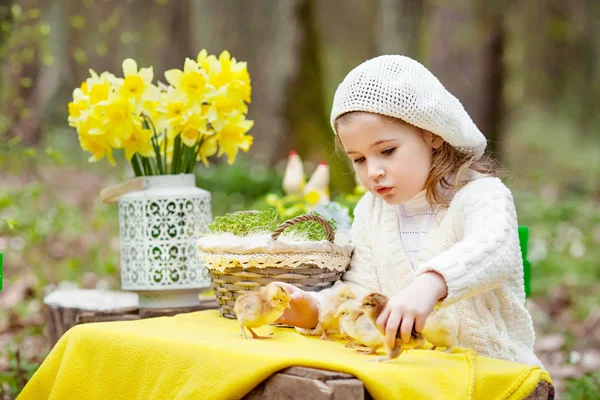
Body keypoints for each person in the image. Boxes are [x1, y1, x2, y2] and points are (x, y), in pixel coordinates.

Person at [276, 55, 542, 367]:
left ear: (432, 133)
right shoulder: (371, 211)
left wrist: (430, 284)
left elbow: (494, 250)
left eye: (387, 151)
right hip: (416, 373)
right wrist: (315, 308)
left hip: (496, 373)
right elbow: (362, 290)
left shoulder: (481, 195)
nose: (373, 171)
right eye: (359, 159)